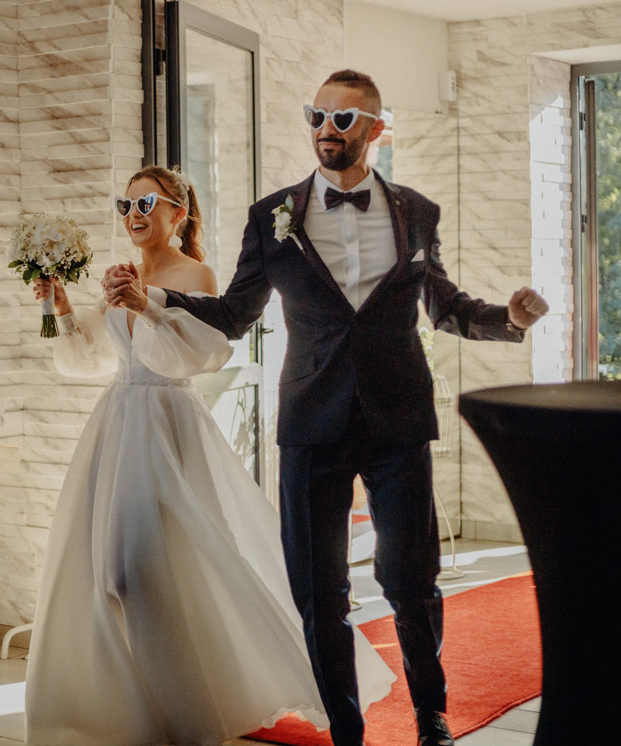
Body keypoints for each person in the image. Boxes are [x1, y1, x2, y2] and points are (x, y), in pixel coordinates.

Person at [106, 71, 550, 746]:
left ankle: (431, 716)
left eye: (343, 119)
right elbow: (233, 313)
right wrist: (157, 300)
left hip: (398, 420)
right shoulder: (272, 216)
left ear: (376, 128)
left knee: (411, 578)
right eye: (317, 116)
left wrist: (509, 320)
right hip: (311, 422)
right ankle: (346, 730)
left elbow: (446, 307)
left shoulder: (416, 211)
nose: (326, 130)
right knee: (318, 590)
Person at [24, 165, 395, 746]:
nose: (133, 215)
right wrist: (61, 305)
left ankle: (194, 712)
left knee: (143, 572)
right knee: (105, 574)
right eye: (125, 205)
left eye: (146, 203)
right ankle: (138, 713)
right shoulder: (122, 273)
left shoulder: (194, 274)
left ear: (177, 213)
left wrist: (148, 306)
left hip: (168, 426)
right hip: (117, 426)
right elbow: (91, 357)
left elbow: (199, 352)